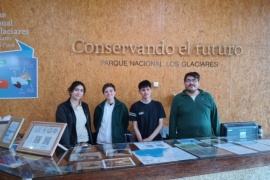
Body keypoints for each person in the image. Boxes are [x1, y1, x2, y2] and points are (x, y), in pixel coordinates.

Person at [169, 72, 220, 139]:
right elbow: (173, 120)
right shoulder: (177, 99)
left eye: (194, 80)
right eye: (188, 80)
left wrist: (219, 138)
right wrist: (172, 140)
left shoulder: (208, 97)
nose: (191, 83)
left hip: (206, 139)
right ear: (184, 83)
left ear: (198, 83)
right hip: (184, 140)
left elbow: (215, 118)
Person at [56, 81, 93, 149]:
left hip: (86, 142)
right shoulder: (63, 108)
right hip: (72, 144)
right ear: (71, 91)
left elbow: (88, 125)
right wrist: (67, 148)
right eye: (76, 90)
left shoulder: (85, 106)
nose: (79, 93)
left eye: (81, 90)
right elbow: (63, 130)